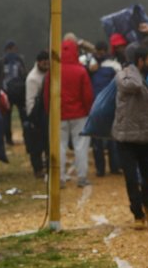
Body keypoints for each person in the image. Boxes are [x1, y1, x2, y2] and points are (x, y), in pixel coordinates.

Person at [112, 45, 148, 229]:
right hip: (126, 137)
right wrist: (133, 68)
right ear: (140, 61)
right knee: (131, 179)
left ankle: (147, 203)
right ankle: (137, 213)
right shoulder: (125, 75)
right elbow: (133, 85)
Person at [44, 38, 94, 187]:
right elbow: (87, 95)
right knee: (81, 146)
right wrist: (88, 111)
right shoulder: (81, 71)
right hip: (79, 114)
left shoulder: (53, 71)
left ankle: (59, 178)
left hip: (58, 114)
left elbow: (47, 94)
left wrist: (49, 112)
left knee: (59, 146)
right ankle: (82, 177)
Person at [88, 41, 122, 177]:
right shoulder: (89, 63)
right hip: (95, 105)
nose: (100, 53)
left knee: (112, 137)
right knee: (97, 139)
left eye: (102, 50)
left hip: (110, 105)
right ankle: (100, 169)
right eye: (98, 50)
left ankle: (114, 166)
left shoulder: (113, 64)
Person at [0, 41, 27, 145]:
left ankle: (21, 137)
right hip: (8, 93)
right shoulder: (1, 62)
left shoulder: (19, 60)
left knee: (19, 116)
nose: (13, 51)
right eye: (12, 49)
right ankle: (9, 138)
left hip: (16, 92)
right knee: (9, 117)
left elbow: (24, 74)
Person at [24, 50, 50, 178]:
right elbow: (30, 100)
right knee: (36, 146)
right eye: (43, 61)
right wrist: (33, 117)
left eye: (47, 61)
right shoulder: (33, 78)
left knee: (47, 143)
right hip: (36, 115)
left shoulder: (49, 74)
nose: (46, 64)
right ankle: (38, 169)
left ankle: (49, 168)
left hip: (46, 113)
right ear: (38, 62)